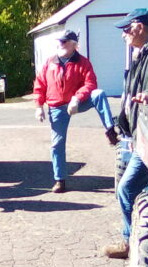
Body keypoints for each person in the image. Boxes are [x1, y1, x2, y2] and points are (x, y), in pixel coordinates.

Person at [103, 9, 148, 259]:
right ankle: (143, 240)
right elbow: (130, 94)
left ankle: (131, 243)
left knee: (127, 189)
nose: (124, 36)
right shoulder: (142, 53)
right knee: (136, 189)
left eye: (126, 29)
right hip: (138, 135)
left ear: (139, 27)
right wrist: (120, 128)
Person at [33, 30, 118, 193]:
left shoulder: (83, 62)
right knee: (57, 144)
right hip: (57, 106)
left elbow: (90, 84)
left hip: (77, 102)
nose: (61, 44)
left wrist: (77, 99)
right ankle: (60, 181)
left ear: (73, 45)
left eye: (64, 42)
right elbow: (40, 85)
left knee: (99, 94)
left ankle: (110, 130)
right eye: (59, 41)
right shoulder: (50, 62)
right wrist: (39, 107)